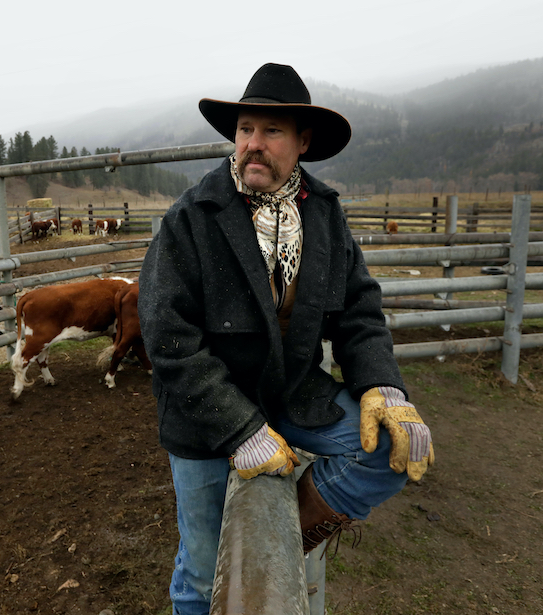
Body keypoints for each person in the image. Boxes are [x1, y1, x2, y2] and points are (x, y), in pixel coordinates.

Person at [138, 63, 435, 615]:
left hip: (292, 393)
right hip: (205, 413)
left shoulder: (323, 215)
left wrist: (382, 387)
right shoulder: (192, 217)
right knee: (202, 573)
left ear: (302, 143)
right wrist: (240, 428)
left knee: (391, 449)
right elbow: (168, 338)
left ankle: (284, 538)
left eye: (271, 132)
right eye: (246, 128)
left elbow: (360, 312)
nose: (253, 144)